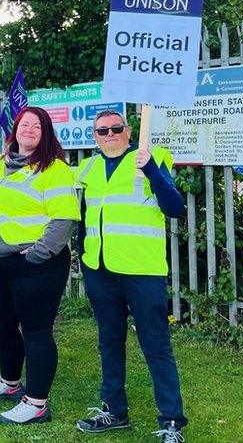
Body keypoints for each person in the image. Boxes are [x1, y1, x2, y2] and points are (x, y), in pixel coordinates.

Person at [73, 109, 187, 442]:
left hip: (142, 271)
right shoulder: (90, 168)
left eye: (115, 128)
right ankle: (114, 411)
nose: (109, 134)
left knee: (156, 345)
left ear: (128, 129)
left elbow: (175, 208)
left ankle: (171, 421)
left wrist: (150, 167)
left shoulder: (154, 157)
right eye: (101, 131)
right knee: (109, 342)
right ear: (94, 136)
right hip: (100, 270)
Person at [0, 106, 80, 425]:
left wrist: (37, 254)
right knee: (1, 326)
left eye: (37, 126)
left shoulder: (54, 169)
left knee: (36, 332)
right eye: (25, 124)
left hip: (37, 265)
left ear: (45, 134)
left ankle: (37, 403)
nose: (29, 129)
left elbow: (64, 219)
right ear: (15, 129)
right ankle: (9, 383)